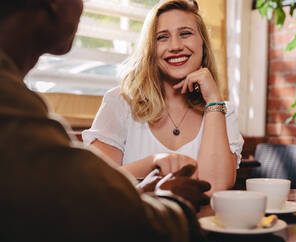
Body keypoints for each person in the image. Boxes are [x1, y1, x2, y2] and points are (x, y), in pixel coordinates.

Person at [0, 0, 211, 242]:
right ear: (55, 4)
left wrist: (141, 197)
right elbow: (86, 205)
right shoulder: (11, 106)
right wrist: (172, 202)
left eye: (185, 34)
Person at [82, 0, 244, 192]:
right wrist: (152, 163)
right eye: (162, 37)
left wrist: (213, 101)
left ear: (203, 44)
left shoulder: (222, 111)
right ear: (150, 49)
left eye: (185, 34)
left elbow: (215, 186)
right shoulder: (120, 102)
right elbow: (97, 182)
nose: (175, 46)